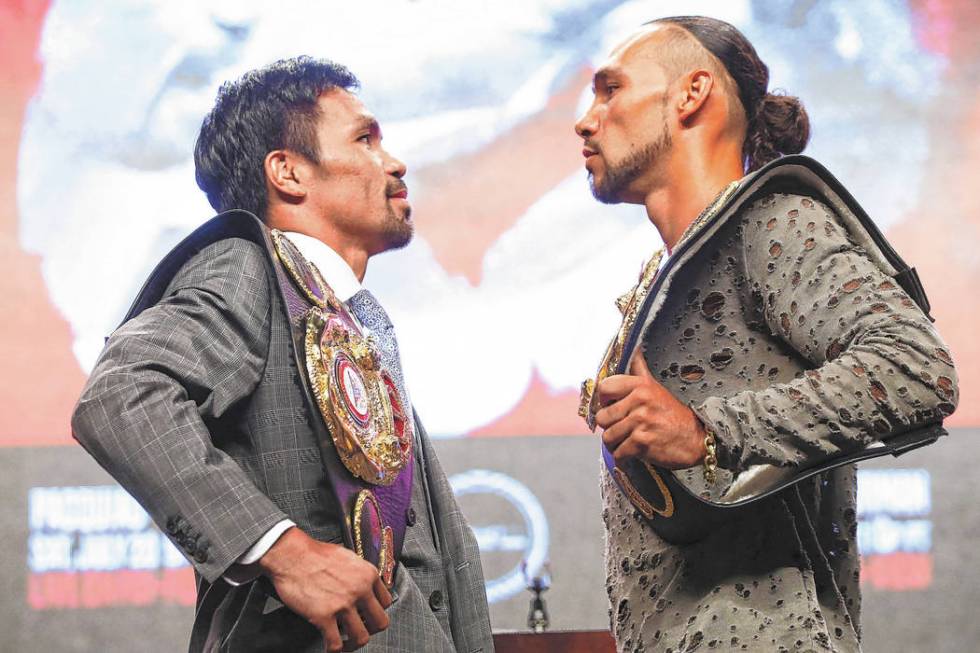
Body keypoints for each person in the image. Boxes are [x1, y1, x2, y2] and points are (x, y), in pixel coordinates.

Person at [71, 56, 493, 653]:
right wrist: (284, 551)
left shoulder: (346, 318)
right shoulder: (249, 267)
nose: (394, 162)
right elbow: (120, 397)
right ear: (288, 172)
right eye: (365, 139)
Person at [574, 16, 958, 652]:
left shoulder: (772, 223)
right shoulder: (664, 275)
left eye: (609, 89)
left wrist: (706, 432)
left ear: (692, 93)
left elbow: (915, 366)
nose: (586, 119)